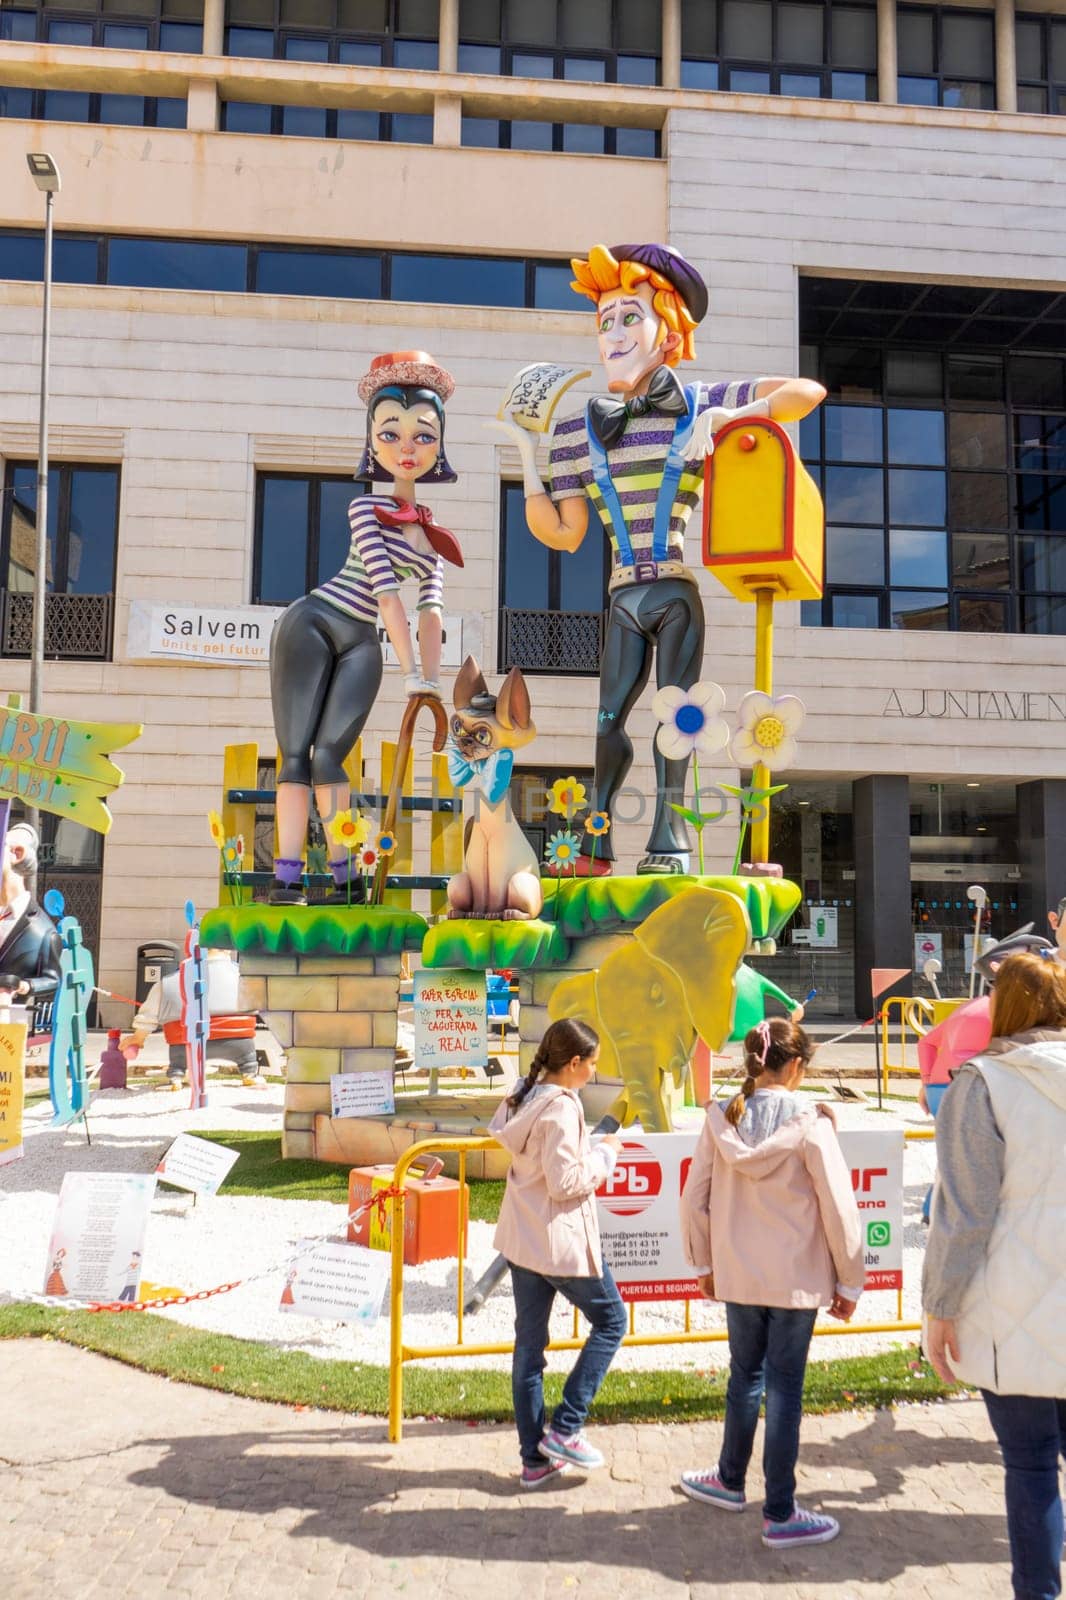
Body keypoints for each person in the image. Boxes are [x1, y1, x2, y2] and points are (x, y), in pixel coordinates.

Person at [496, 241, 824, 875]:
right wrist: (525, 458)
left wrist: (735, 415)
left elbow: (806, 391)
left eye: (630, 317)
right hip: (622, 594)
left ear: (669, 332)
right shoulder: (575, 430)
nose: (614, 334)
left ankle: (667, 842)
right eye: (605, 321)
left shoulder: (700, 400)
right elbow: (564, 534)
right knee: (607, 721)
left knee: (676, 718)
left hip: (675, 589)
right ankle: (595, 845)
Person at [268, 350, 463, 904]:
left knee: (331, 755)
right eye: (391, 434)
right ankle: (286, 877)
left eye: (423, 436)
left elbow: (431, 612)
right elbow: (386, 594)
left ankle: (342, 873)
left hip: (361, 644)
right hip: (314, 621)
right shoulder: (366, 512)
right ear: (372, 441)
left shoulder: (437, 542)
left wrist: (428, 676)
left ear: (440, 445)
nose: (407, 448)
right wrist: (411, 674)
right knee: (295, 754)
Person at [678, 1017, 864, 1549]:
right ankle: (779, 1510)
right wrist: (849, 1281)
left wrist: (702, 1263)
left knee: (744, 1379)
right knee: (785, 1391)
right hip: (796, 1282)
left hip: (738, 1274)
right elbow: (839, 1206)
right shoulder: (811, 1124)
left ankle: (730, 1480)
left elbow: (695, 1199)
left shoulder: (720, 1119)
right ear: (798, 1067)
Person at [923, 950, 1066, 1600]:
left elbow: (965, 1215)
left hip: (1012, 1311)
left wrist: (938, 1308)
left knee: (1031, 1465)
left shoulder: (981, 1084)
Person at [489, 1018, 627, 1489]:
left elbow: (547, 1162)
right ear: (573, 1063)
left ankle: (534, 1460)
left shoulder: (522, 1095)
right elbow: (566, 1182)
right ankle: (567, 1426)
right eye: (591, 1065)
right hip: (559, 1242)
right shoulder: (562, 1108)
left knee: (529, 1350)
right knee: (612, 1321)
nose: (593, 1073)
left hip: (523, 1240)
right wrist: (606, 1157)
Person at [121, 947, 261, 1089]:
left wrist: (138, 1039)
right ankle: (249, 1073)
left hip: (184, 1044)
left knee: (179, 1060)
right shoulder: (244, 976)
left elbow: (148, 1017)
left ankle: (176, 1076)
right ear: (228, 950)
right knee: (247, 1058)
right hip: (239, 1042)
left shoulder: (171, 980)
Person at [0, 822, 62, 1007]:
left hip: (9, 1023)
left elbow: (52, 979)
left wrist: (23, 986)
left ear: (17, 853)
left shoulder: (42, 931)